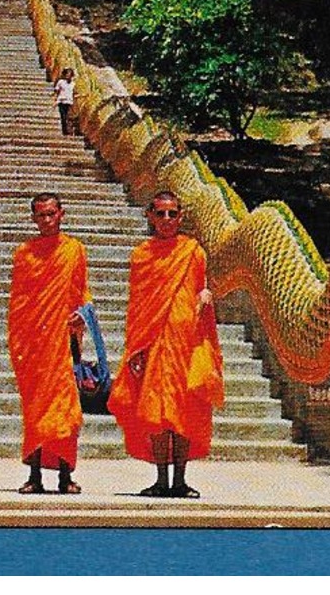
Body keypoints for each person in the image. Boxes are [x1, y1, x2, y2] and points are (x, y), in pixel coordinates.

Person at [107, 191, 224, 498]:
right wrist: (135, 348)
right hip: (155, 343)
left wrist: (206, 295)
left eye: (173, 214)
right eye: (161, 214)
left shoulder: (193, 251)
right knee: (158, 413)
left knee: (185, 410)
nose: (167, 220)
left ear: (181, 217)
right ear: (150, 216)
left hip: (188, 342)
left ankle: (181, 480)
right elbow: (138, 306)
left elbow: (202, 290)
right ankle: (161, 480)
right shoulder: (142, 255)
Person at [7, 192, 92, 494]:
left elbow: (82, 294)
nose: (46, 220)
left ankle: (65, 475)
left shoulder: (74, 250)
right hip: (33, 343)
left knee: (66, 411)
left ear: (61, 214)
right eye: (40, 215)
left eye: (51, 214)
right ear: (33, 218)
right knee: (35, 411)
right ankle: (34, 476)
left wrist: (82, 318)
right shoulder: (24, 253)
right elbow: (18, 301)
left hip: (62, 341)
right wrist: (17, 342)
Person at [52, 68, 76, 136]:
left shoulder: (73, 84)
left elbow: (74, 93)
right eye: (67, 74)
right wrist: (55, 100)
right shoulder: (61, 82)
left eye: (70, 75)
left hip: (69, 102)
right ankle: (65, 131)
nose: (68, 76)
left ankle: (68, 130)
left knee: (68, 117)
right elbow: (56, 91)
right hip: (61, 101)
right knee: (63, 116)